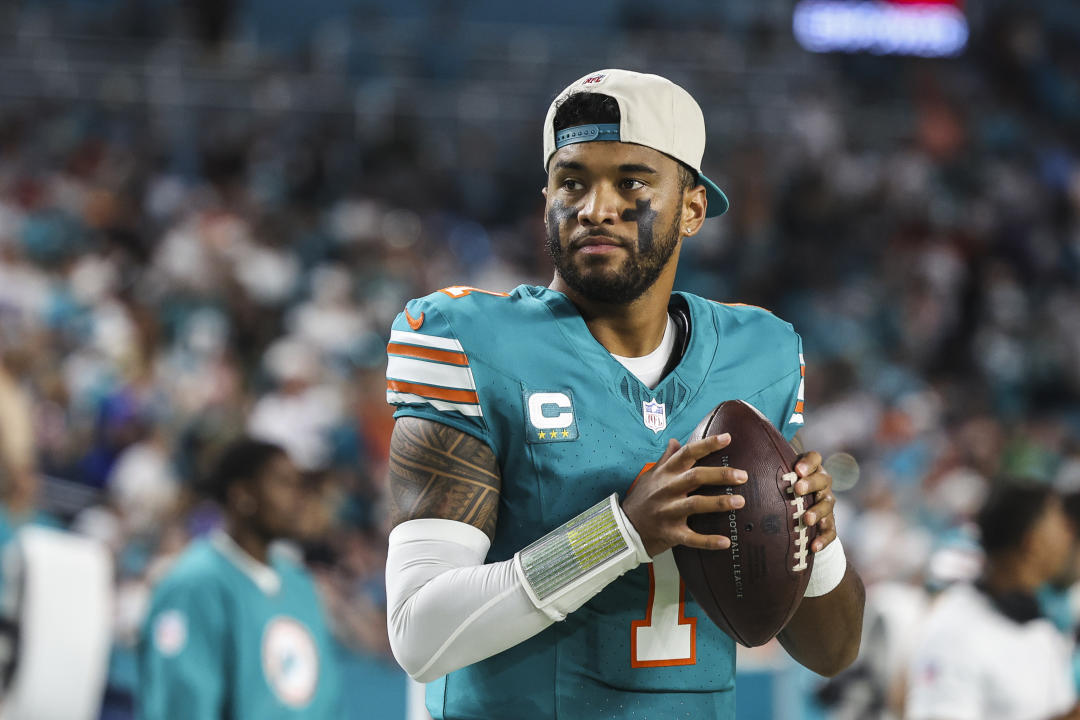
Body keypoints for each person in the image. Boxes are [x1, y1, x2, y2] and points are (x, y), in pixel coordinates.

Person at [383, 68, 865, 719]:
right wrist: (619, 534)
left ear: (693, 208)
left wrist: (818, 540)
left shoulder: (762, 355)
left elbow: (833, 651)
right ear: (546, 198)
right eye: (572, 181)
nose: (595, 207)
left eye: (631, 182)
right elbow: (419, 632)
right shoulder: (470, 339)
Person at [138, 437, 341, 719]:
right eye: (284, 483)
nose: (299, 497)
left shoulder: (301, 587)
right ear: (242, 495)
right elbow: (183, 703)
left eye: (300, 486)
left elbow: (325, 703)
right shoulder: (195, 585)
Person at [906, 483, 1080, 720]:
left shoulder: (1040, 628)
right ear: (1033, 541)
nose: (1069, 537)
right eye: (1061, 524)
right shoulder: (955, 629)